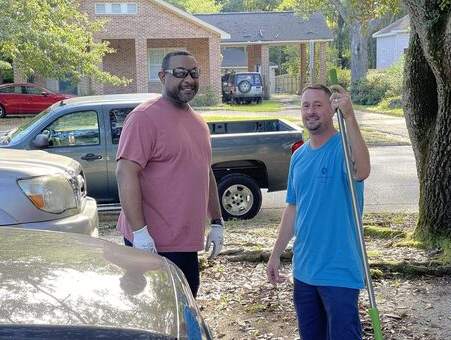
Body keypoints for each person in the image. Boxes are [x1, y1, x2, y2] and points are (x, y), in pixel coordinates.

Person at [115, 50, 223, 298]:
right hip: (151, 244)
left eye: (194, 73)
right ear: (163, 77)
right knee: (153, 319)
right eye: (180, 73)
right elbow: (125, 173)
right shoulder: (144, 118)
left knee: (184, 310)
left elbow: (205, 173)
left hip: (185, 243)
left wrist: (217, 221)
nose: (189, 79)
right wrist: (140, 234)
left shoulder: (199, 123)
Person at [266, 84, 371, 340]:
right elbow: (293, 207)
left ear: (331, 109)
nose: (310, 111)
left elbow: (362, 170)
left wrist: (350, 116)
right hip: (304, 270)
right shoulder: (299, 156)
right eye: (305, 105)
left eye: (318, 105)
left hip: (339, 271)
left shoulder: (344, 148)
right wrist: (275, 254)